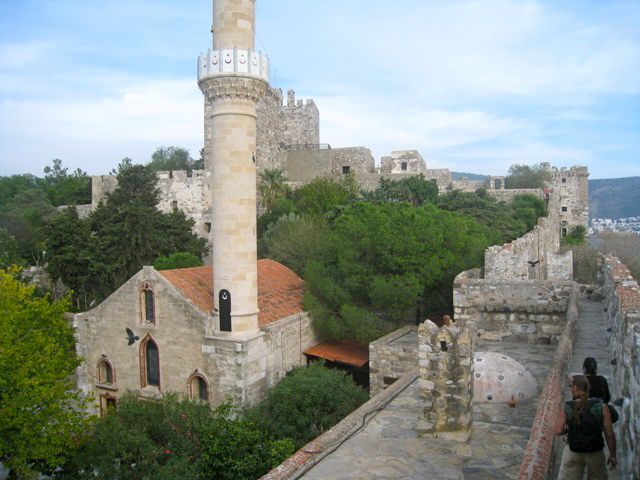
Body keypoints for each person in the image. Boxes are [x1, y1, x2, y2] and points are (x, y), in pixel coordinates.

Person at [555, 375, 616, 479]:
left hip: (573, 451)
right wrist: (613, 455)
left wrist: (567, 430)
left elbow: (557, 430)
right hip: (595, 452)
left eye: (571, 386)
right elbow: (609, 434)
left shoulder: (567, 406)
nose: (570, 389)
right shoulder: (601, 406)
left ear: (575, 387)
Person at [583, 357, 618, 423]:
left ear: (584, 368)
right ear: (596, 368)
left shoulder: (581, 381)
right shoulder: (602, 379)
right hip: (599, 415)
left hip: (584, 416)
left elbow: (575, 400)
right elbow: (607, 397)